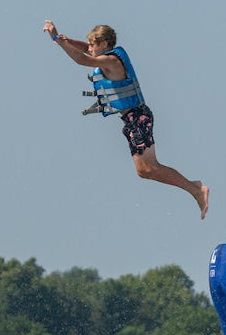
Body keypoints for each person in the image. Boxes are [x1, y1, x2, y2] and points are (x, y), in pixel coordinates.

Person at [44, 21, 209, 220]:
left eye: (92, 44)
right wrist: (67, 40)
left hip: (138, 117)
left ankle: (197, 189)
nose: (89, 47)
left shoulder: (112, 61)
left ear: (104, 44)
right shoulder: (106, 55)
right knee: (144, 171)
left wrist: (57, 40)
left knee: (150, 168)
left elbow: (82, 60)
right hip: (131, 119)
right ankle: (195, 188)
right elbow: (85, 50)